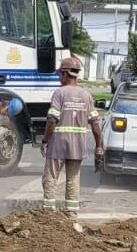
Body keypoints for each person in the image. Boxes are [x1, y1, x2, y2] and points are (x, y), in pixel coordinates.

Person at [41, 57, 103, 216]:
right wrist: (99, 146)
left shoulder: (59, 93)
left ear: (65, 74)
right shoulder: (86, 95)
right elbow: (95, 124)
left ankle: (48, 212)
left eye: (59, 75)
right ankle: (71, 214)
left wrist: (45, 140)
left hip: (58, 144)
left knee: (51, 177)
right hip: (77, 146)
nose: (58, 78)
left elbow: (52, 119)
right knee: (73, 180)